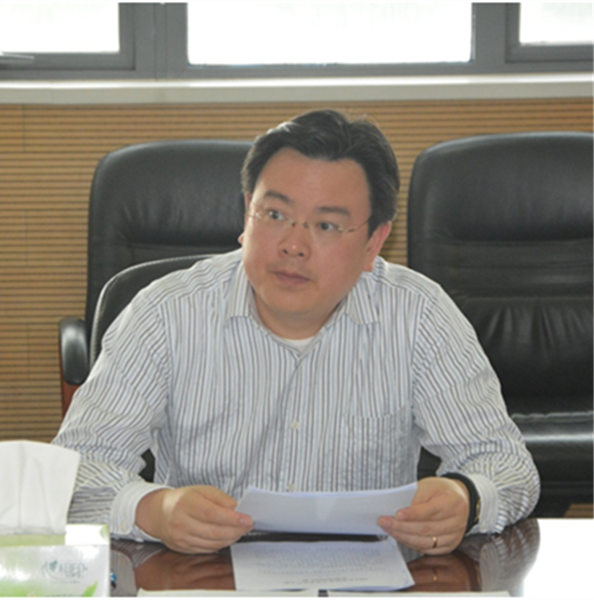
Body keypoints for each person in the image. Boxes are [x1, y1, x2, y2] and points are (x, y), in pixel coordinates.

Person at [53, 109, 540, 556]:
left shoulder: (419, 315)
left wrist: (466, 497)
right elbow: (73, 471)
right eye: (275, 215)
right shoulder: (165, 313)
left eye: (326, 226)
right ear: (247, 212)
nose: (293, 246)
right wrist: (152, 509)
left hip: (364, 576)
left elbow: (507, 465)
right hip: (207, 572)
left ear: (373, 242)